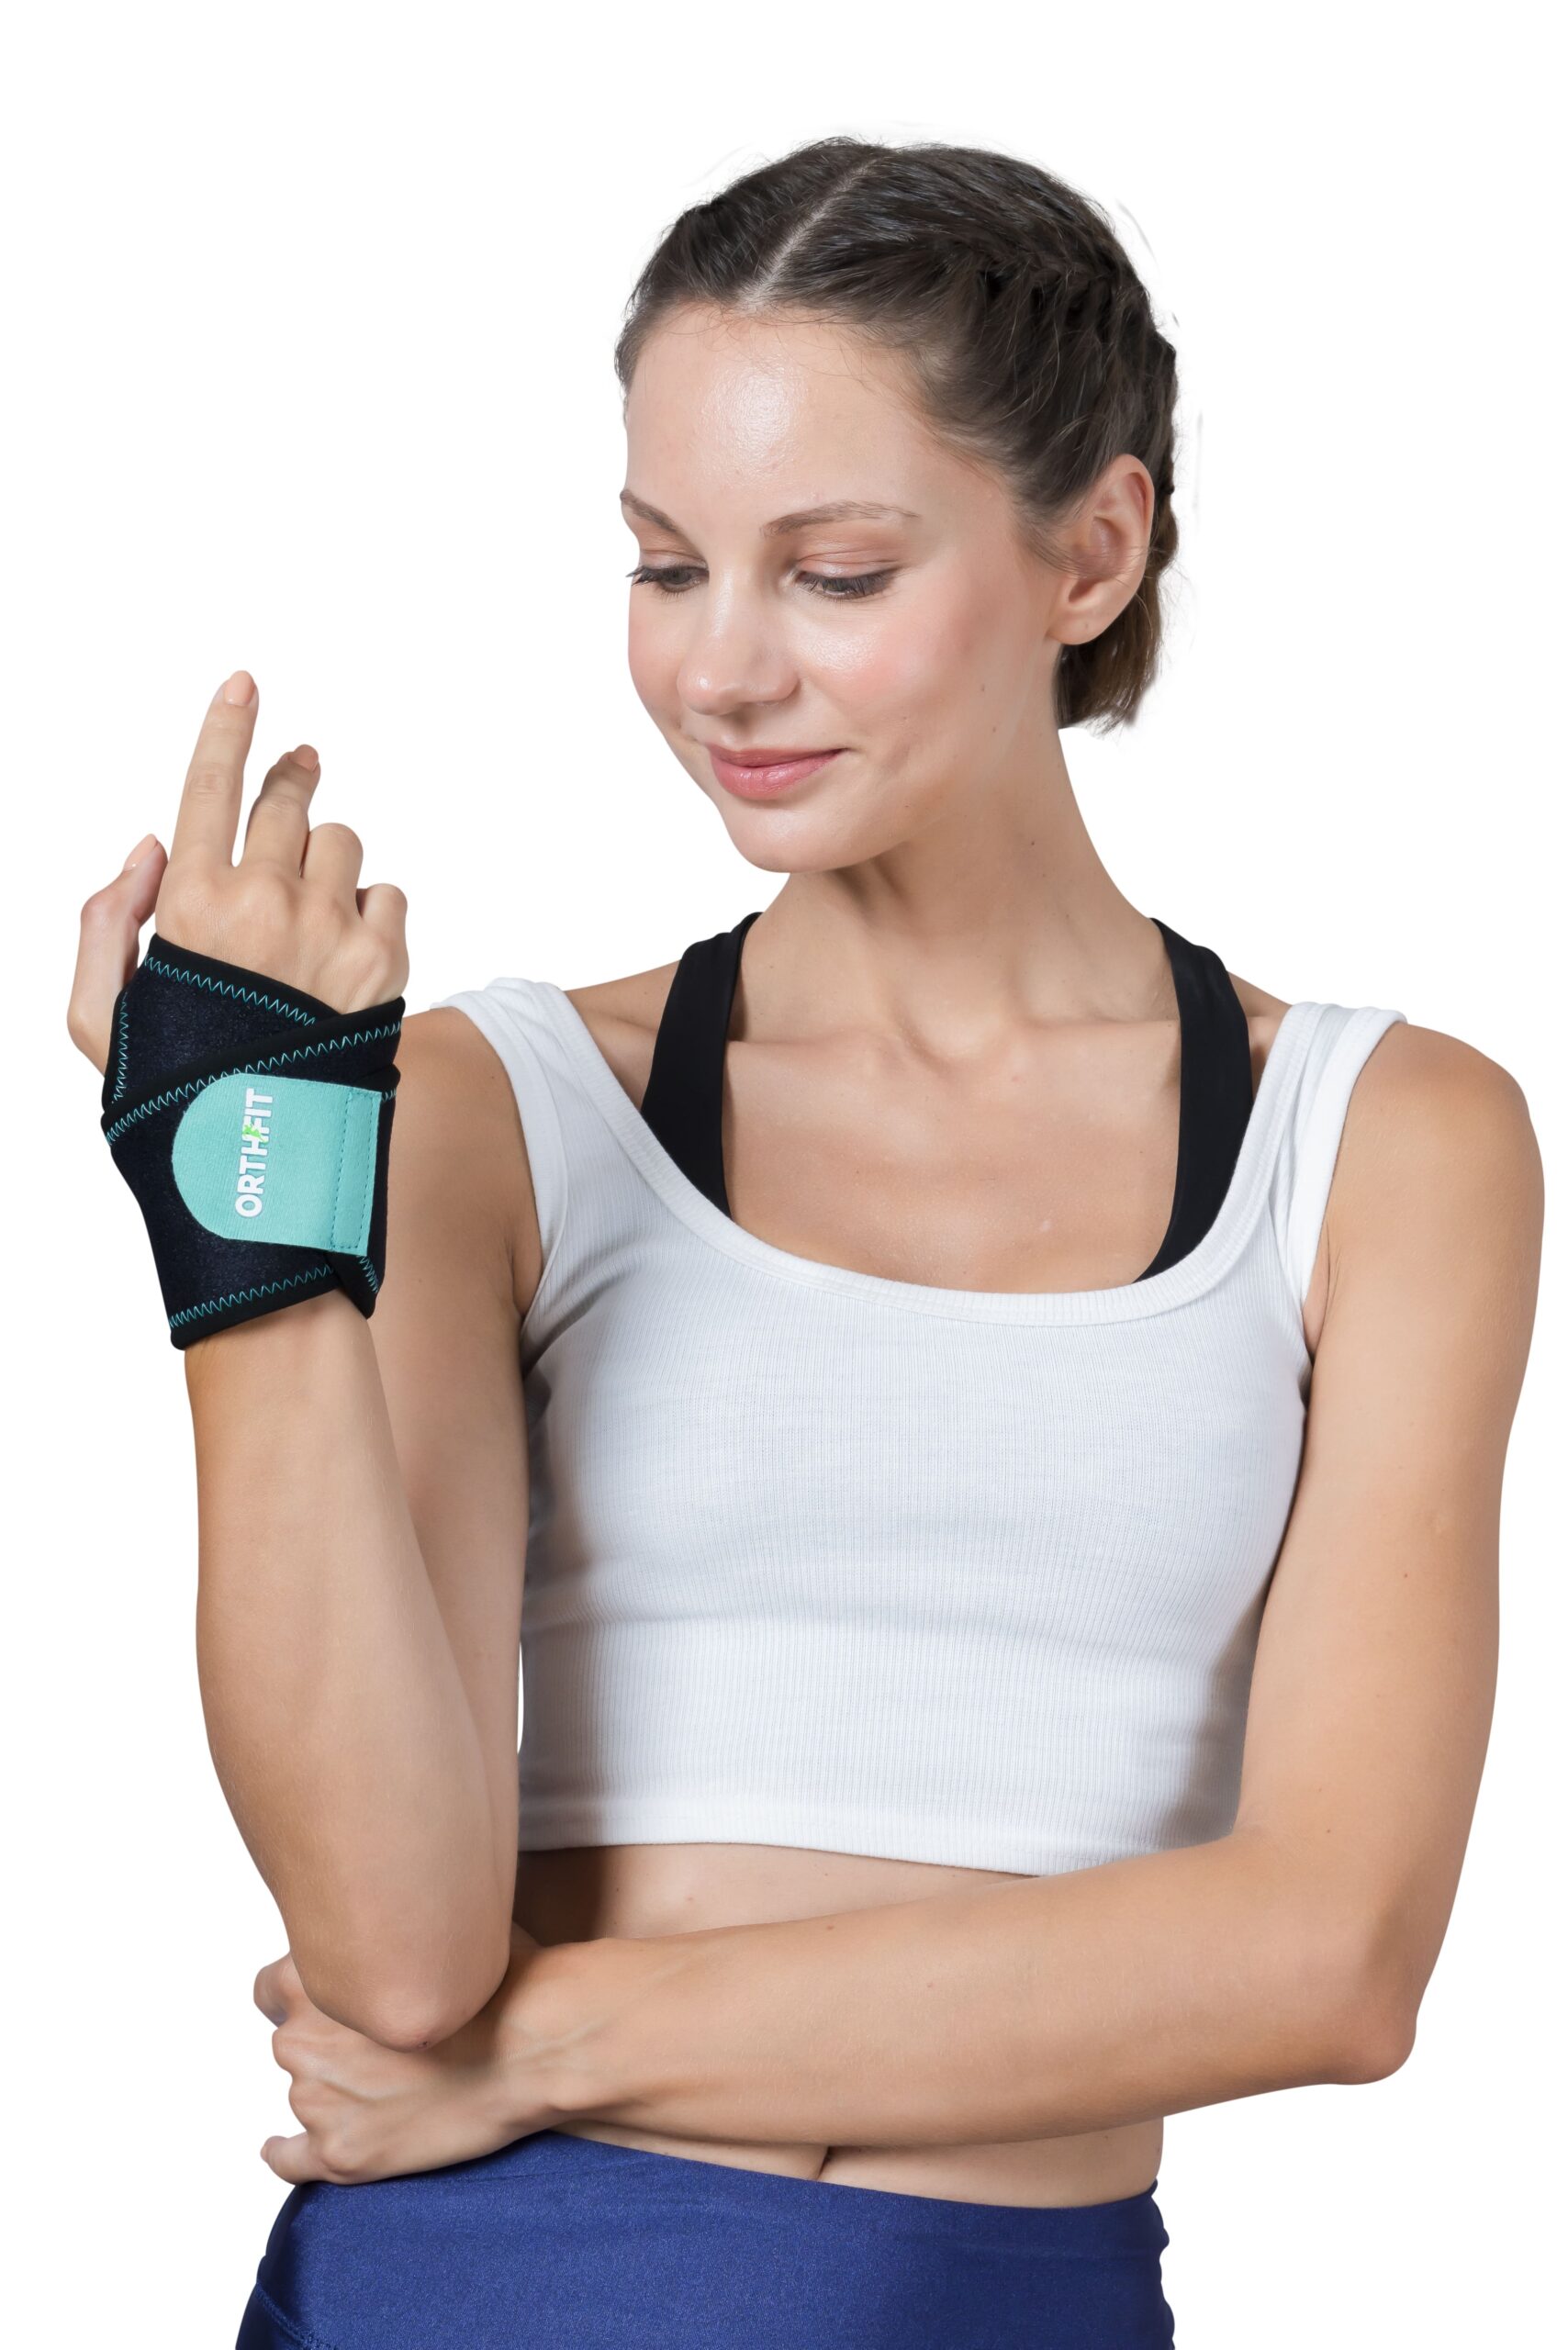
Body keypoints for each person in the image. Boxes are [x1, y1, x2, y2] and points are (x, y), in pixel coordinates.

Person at [68, 136, 1542, 2350]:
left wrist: (544, 2047)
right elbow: (391, 1951)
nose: (721, 668)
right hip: (479, 2285)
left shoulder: (1382, 1141)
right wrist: (242, 1204)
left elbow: (1327, 1957)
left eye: (832, 571)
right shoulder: (506, 1107)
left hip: (999, 2288)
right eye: (665, 565)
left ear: (1091, 548)